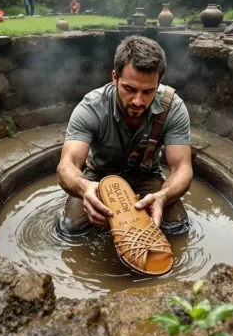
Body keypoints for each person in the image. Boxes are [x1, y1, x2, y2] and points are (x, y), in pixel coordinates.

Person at [57, 35, 193, 236]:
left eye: (148, 91)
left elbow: (182, 167)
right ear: (115, 78)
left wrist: (162, 197)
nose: (138, 101)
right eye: (130, 89)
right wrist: (85, 188)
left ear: (159, 81)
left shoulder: (172, 108)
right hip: (100, 178)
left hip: (146, 177)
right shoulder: (91, 108)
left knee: (177, 227)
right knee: (71, 229)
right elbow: (66, 166)